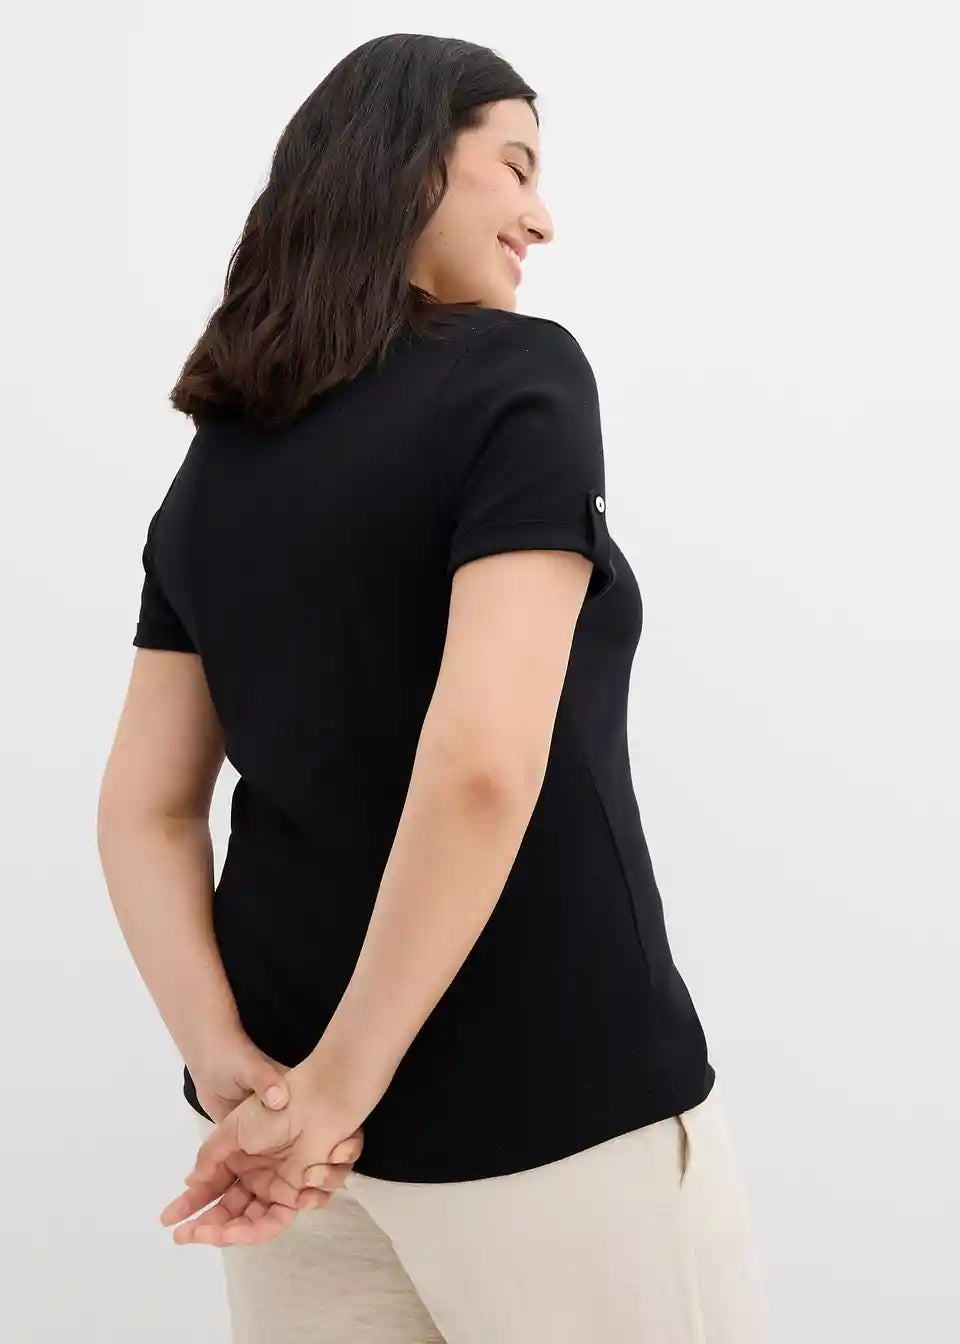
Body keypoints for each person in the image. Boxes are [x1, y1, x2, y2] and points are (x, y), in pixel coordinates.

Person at [97, 32, 769, 1344]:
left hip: (291, 1130)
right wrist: (335, 1095)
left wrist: (244, 1078)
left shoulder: (220, 461)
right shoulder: (518, 377)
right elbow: (478, 766)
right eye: (515, 166)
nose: (543, 216)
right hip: (549, 1110)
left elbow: (146, 806)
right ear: (411, 168)